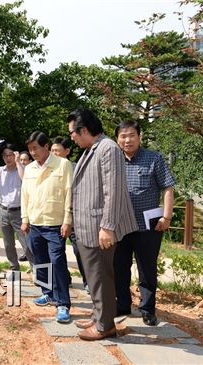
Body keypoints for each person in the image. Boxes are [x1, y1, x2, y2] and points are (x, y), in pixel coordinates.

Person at [67, 108, 137, 341]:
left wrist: (107, 227)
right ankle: (99, 316)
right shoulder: (91, 149)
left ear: (84, 130)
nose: (72, 137)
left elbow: (113, 190)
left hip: (99, 227)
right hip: (88, 226)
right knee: (94, 276)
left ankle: (105, 325)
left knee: (101, 276)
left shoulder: (108, 148)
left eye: (73, 133)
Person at [114, 120, 175, 326]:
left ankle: (147, 309)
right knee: (119, 267)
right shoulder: (113, 160)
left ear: (139, 136)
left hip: (148, 225)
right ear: (117, 139)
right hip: (120, 225)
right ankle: (122, 305)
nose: (127, 140)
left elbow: (167, 187)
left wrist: (166, 216)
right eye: (122, 136)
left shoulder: (154, 158)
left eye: (131, 135)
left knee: (147, 269)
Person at [21, 131, 74, 323]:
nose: (33, 152)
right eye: (30, 149)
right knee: (40, 260)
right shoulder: (29, 169)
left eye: (35, 148)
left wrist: (67, 220)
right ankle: (47, 292)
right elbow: (24, 195)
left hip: (55, 224)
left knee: (57, 262)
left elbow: (70, 193)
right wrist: (25, 218)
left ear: (46, 146)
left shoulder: (63, 165)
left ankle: (63, 304)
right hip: (35, 222)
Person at [0, 143, 32, 274]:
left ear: (15, 155)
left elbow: (25, 179)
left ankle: (36, 270)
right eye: (5, 155)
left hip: (20, 212)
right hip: (3, 211)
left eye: (11, 155)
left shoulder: (23, 169)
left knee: (27, 244)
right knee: (8, 244)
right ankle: (14, 269)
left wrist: (18, 162)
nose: (8, 158)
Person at [51, 137, 88, 293]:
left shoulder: (76, 168)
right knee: (57, 252)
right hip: (54, 217)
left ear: (67, 151)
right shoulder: (48, 169)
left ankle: (88, 282)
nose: (54, 153)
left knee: (79, 250)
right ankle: (65, 279)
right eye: (52, 150)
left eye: (57, 150)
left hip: (74, 217)